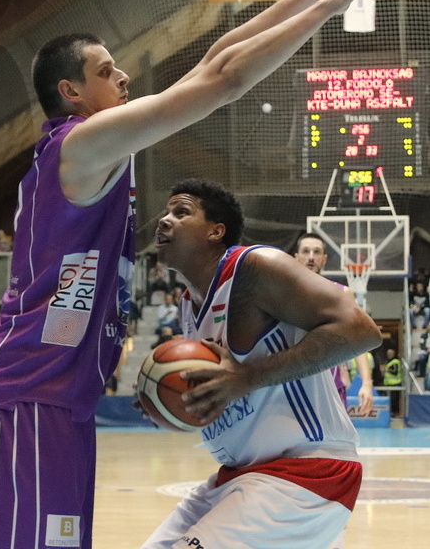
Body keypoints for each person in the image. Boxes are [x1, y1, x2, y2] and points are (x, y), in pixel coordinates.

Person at [0, 0, 394, 548]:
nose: (124, 77)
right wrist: (327, 7)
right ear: (71, 92)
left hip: (61, 399)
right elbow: (224, 80)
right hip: (27, 392)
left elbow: (215, 61)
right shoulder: (78, 144)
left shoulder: (101, 151)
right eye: (107, 70)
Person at [140, 178, 382, 549]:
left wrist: (246, 377)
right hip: (239, 476)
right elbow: (224, 390)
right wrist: (172, 400)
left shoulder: (254, 267)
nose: (164, 220)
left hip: (307, 474)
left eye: (181, 212)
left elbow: (362, 331)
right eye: (166, 211)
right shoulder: (189, 304)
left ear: (216, 231)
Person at [294, 232, 374, 415]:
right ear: (296, 257)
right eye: (306, 251)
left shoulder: (341, 293)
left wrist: (367, 383)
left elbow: (357, 339)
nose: (311, 257)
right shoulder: (282, 294)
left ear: (324, 259)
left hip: (331, 387)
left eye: (317, 252)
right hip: (293, 385)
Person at [382, 347, 402, 416]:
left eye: (390, 353)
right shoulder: (388, 361)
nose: (389, 355)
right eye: (388, 353)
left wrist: (386, 369)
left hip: (395, 383)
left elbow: (395, 372)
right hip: (389, 384)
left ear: (393, 354)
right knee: (389, 399)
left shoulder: (395, 361)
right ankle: (390, 412)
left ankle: (394, 412)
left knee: (394, 400)